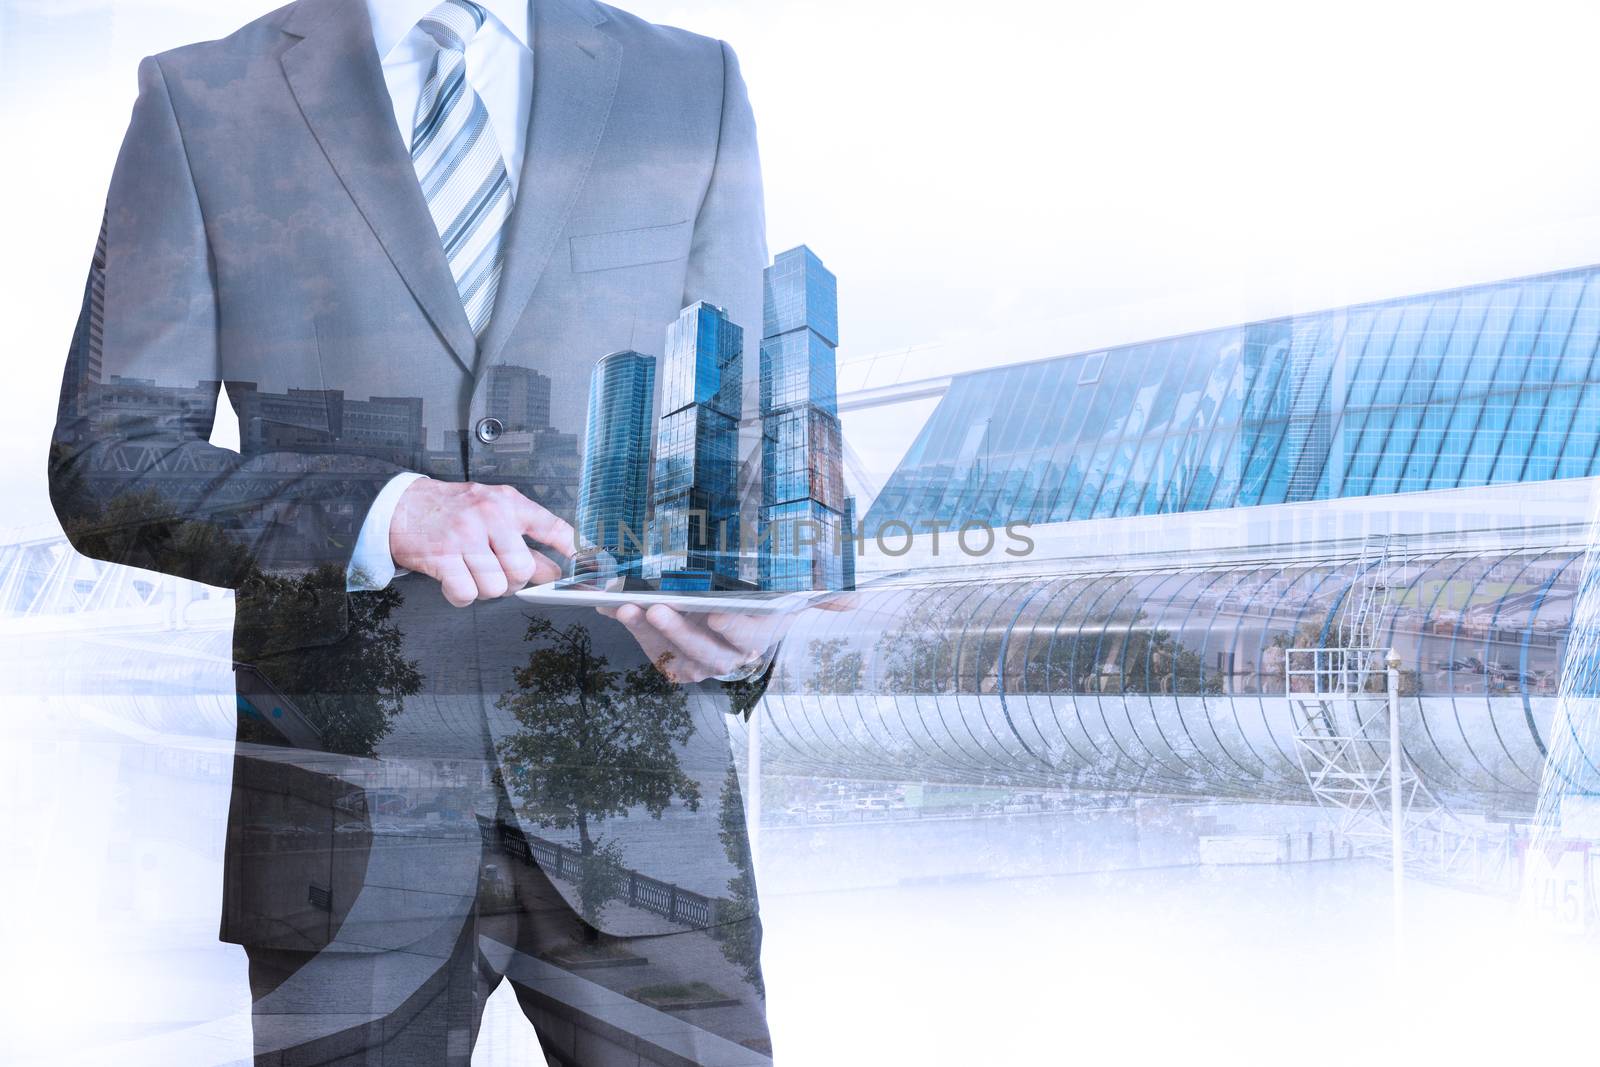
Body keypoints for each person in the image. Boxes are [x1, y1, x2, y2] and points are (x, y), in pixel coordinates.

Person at [48, 0, 779, 1062]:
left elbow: (741, 432)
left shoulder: (691, 81)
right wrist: (384, 511)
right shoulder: (200, 96)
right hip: (343, 838)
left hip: (646, 811)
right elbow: (107, 461)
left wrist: (746, 603)